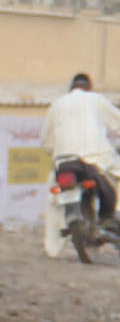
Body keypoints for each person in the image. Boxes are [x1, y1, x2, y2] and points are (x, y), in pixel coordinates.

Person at [42, 71, 120, 261]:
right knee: (115, 176)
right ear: (88, 87)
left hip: (64, 161)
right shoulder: (96, 99)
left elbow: (46, 141)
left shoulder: (57, 104)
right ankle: (109, 216)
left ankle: (52, 247)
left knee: (52, 200)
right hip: (94, 159)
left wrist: (57, 152)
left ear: (71, 88)